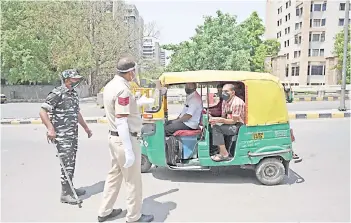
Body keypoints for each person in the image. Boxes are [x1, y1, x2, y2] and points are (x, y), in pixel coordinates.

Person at [98, 57, 154, 223]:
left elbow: (121, 110)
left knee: (114, 175)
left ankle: (105, 211)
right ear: (130, 72)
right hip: (125, 139)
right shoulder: (123, 90)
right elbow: (122, 120)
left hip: (114, 138)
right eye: (134, 72)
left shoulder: (111, 85)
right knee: (133, 181)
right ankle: (134, 217)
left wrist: (136, 102)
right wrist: (129, 149)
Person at [39, 69, 93, 204]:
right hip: (62, 134)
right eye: (74, 79)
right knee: (66, 163)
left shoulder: (73, 94)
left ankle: (69, 187)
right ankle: (65, 194)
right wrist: (50, 129)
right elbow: (42, 111)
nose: (77, 81)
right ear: (67, 79)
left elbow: (76, 112)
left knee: (71, 161)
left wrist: (85, 127)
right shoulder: (58, 92)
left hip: (72, 134)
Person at [209, 83, 245, 162]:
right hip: (229, 123)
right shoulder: (225, 101)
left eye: (226, 91)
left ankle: (224, 154)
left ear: (233, 92)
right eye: (223, 91)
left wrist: (220, 120)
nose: (224, 93)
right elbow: (223, 116)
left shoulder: (237, 103)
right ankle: (218, 150)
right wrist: (215, 120)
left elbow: (234, 121)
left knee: (216, 128)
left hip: (239, 126)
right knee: (212, 126)